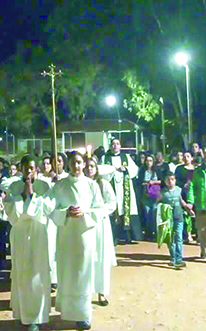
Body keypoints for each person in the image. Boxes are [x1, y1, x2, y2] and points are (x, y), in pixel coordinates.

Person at [50, 151, 106, 330]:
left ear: (84, 164)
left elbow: (100, 209)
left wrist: (85, 212)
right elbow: (51, 209)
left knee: (83, 272)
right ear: (69, 165)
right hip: (66, 234)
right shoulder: (59, 186)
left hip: (84, 234)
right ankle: (67, 310)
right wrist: (65, 212)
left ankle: (83, 315)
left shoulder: (91, 185)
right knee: (67, 271)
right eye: (73, 162)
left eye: (80, 162)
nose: (77, 166)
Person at [0, 155, 53, 331]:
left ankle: (37, 317)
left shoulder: (44, 186)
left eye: (31, 168)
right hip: (20, 233)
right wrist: (23, 195)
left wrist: (32, 195)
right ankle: (24, 314)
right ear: (20, 168)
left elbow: (48, 207)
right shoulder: (13, 186)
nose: (29, 171)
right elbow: (10, 212)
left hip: (38, 232)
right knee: (22, 271)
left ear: (36, 169)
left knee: (38, 272)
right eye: (25, 168)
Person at [84, 156, 117, 307]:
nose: (89, 169)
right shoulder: (81, 184)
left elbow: (112, 203)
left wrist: (99, 212)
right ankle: (86, 291)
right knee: (88, 257)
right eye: (87, 166)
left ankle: (102, 292)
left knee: (101, 258)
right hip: (85, 225)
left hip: (101, 224)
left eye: (92, 166)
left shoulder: (103, 184)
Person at [100, 138, 142, 244]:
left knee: (125, 209)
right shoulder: (105, 158)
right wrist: (113, 169)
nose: (115, 146)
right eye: (113, 144)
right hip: (111, 187)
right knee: (113, 210)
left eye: (117, 144)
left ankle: (128, 237)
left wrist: (126, 169)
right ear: (110, 146)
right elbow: (101, 171)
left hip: (124, 188)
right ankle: (114, 237)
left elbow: (135, 169)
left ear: (120, 146)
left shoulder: (126, 157)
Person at [160, 172, 193, 269]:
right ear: (165, 181)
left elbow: (181, 201)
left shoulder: (179, 190)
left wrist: (189, 210)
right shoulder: (163, 193)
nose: (170, 182)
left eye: (172, 179)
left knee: (179, 237)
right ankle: (172, 257)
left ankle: (179, 258)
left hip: (179, 217)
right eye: (168, 180)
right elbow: (158, 204)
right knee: (170, 239)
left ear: (175, 180)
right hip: (168, 219)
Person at [139, 154, 160, 240]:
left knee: (154, 213)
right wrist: (146, 183)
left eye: (151, 160)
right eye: (147, 160)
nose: (149, 162)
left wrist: (154, 182)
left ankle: (156, 232)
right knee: (147, 214)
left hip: (155, 195)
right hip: (145, 194)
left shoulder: (156, 170)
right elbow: (139, 181)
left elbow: (162, 180)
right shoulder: (142, 171)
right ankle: (149, 232)